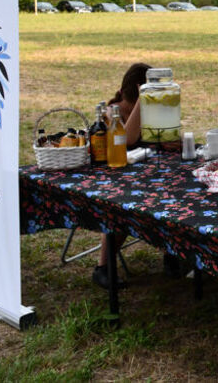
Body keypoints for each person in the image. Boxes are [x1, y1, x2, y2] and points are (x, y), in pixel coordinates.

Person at [94, 62, 151, 289]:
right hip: (110, 177)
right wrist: (141, 101)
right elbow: (127, 139)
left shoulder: (146, 110)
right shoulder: (111, 112)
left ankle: (174, 256)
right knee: (123, 204)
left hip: (139, 174)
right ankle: (102, 267)